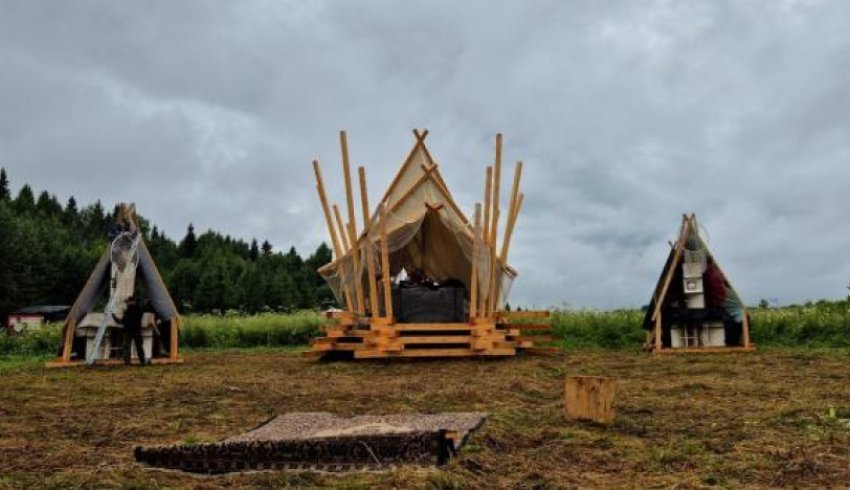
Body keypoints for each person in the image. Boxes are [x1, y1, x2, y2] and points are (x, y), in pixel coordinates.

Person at [113, 295, 148, 365]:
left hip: (129, 331)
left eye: (128, 302)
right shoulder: (139, 310)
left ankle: (128, 362)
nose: (127, 303)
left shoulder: (129, 311)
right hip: (136, 330)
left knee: (127, 346)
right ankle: (142, 361)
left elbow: (122, 321)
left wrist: (114, 317)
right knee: (138, 346)